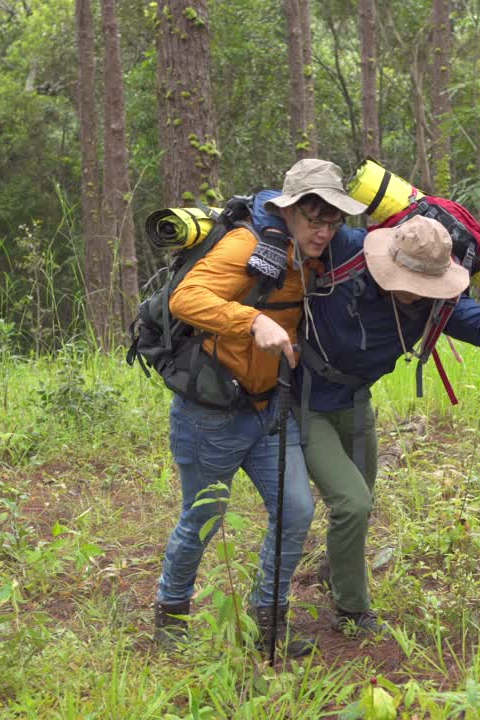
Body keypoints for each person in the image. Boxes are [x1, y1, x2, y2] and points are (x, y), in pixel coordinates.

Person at [252, 205, 480, 637]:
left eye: (427, 284)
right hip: (308, 399)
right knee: (353, 503)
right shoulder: (347, 248)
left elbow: (472, 320)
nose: (416, 292)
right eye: (410, 282)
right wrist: (268, 234)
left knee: (361, 502)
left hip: (356, 400)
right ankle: (353, 612)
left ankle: (336, 570)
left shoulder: (436, 292)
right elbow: (275, 201)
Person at [153, 158, 367, 657]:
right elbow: (186, 299)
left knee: (296, 511)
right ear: (289, 210)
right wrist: (251, 321)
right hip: (211, 412)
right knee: (203, 519)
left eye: (333, 219)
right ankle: (171, 614)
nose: (324, 230)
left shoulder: (317, 252)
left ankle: (268, 618)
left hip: (271, 410)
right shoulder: (245, 245)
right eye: (314, 219)